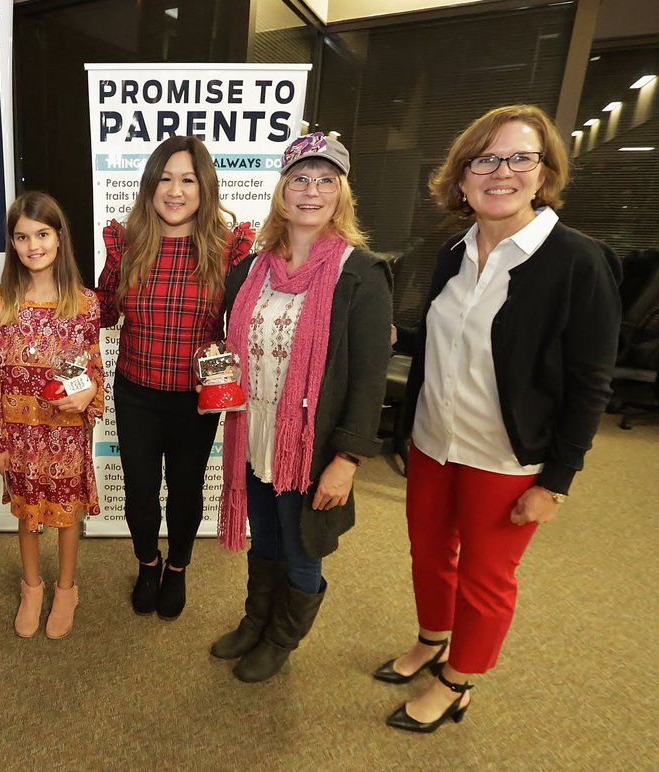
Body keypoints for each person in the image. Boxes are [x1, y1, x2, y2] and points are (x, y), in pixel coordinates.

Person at [376, 105, 621, 733]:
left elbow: (591, 385)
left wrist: (556, 483)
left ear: (544, 174)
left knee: (486, 576)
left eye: (520, 158)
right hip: (433, 441)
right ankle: (432, 640)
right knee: (430, 554)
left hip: (507, 458)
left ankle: (457, 682)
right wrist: (394, 337)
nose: (501, 172)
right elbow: (450, 341)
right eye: (485, 159)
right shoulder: (453, 253)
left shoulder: (578, 261)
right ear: (462, 179)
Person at [210, 133, 392, 682]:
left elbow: (368, 378)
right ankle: (256, 620)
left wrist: (348, 460)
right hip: (254, 430)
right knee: (265, 535)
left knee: (300, 544)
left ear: (342, 194)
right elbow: (232, 343)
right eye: (300, 180)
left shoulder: (361, 274)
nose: (312, 191)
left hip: (310, 444)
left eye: (326, 181)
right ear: (282, 192)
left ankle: (281, 640)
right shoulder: (251, 270)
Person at [98, 135, 254, 620]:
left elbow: (245, 324)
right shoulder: (127, 244)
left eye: (187, 179)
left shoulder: (227, 250)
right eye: (165, 178)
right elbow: (102, 311)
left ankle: (178, 568)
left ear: (204, 188)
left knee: (186, 492)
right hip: (136, 392)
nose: (175, 190)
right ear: (150, 185)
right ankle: (148, 563)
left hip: (195, 400)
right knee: (140, 493)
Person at [0, 192, 104, 639]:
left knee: (68, 514)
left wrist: (89, 394)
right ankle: (31, 587)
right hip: (19, 433)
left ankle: (66, 588)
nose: (33, 245)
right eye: (22, 237)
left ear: (59, 237)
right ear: (12, 243)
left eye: (42, 234)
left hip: (65, 431)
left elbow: (93, 368)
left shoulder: (85, 303)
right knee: (26, 514)